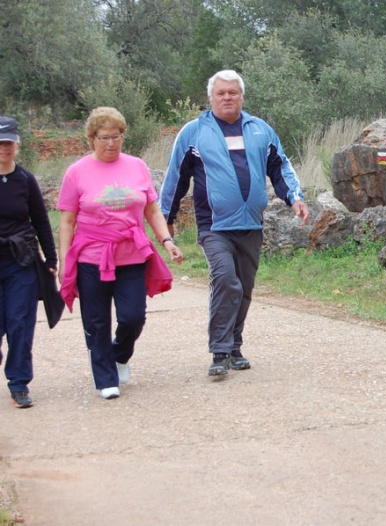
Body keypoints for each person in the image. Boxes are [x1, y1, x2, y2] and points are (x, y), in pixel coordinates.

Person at [159, 69, 310, 378]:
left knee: (244, 287)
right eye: (221, 93)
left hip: (251, 224)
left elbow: (280, 167)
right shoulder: (193, 132)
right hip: (213, 225)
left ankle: (235, 346)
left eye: (232, 92)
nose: (227, 97)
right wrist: (167, 219)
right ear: (211, 98)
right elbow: (176, 178)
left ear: (242, 96)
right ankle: (219, 350)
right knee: (226, 280)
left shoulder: (261, 130)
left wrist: (295, 197)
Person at [58, 107, 183, 400]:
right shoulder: (76, 172)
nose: (111, 144)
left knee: (133, 317)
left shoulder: (137, 166)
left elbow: (152, 208)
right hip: (92, 256)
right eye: (104, 138)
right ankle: (105, 378)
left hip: (131, 255)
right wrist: (65, 261)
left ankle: (120, 354)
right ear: (92, 139)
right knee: (96, 320)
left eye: (116, 137)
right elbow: (66, 220)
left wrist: (167, 240)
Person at [0, 116, 59, 409]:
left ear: (17, 145)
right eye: (0, 143)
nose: (4, 148)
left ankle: (19, 383)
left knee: (20, 324)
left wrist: (50, 258)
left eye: (9, 142)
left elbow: (41, 221)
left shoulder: (25, 180)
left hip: (20, 262)